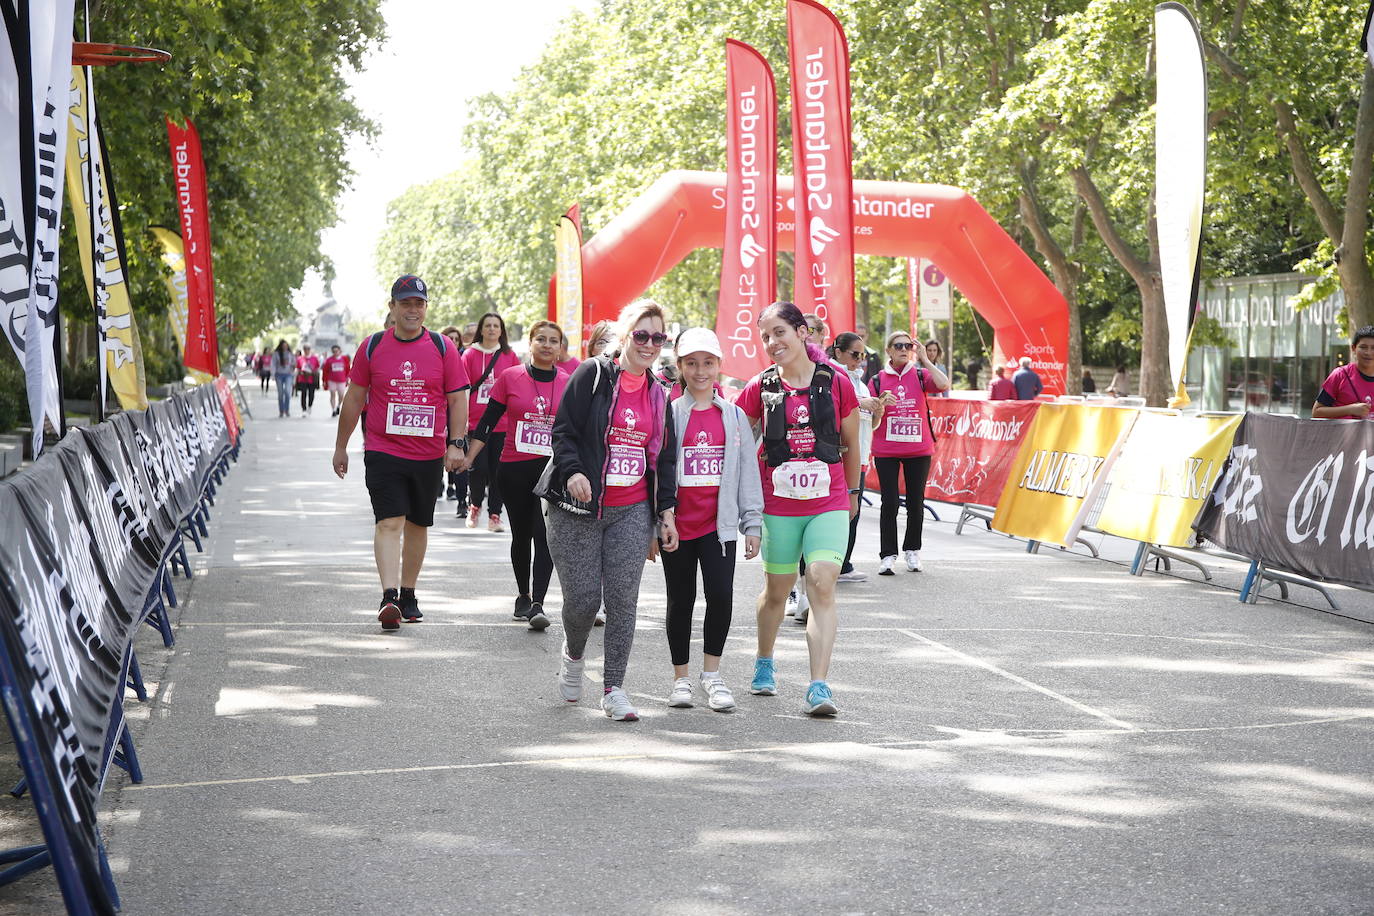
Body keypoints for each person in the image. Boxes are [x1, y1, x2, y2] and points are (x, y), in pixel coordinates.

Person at [539, 300, 679, 722]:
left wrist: (665, 514)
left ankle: (614, 688)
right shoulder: (593, 374)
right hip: (578, 509)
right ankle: (574, 655)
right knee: (583, 603)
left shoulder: (659, 394)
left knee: (623, 602)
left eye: (658, 337)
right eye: (641, 334)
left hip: (631, 511)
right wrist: (575, 471)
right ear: (624, 336)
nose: (649, 344)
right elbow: (563, 431)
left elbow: (665, 460)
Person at [735, 301, 860, 717]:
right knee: (776, 591)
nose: (772, 343)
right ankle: (764, 660)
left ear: (802, 332)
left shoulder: (837, 382)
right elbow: (732, 431)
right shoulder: (760, 386)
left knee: (821, 580)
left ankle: (819, 686)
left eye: (780, 333)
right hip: (778, 505)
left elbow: (852, 442)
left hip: (828, 500)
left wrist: (854, 493)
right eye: (766, 336)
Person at [331, 274, 469, 630]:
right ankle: (388, 595)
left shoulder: (443, 347)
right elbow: (355, 398)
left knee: (418, 524)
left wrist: (456, 444)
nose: (412, 309)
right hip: (383, 450)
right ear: (392, 307)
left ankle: (409, 594)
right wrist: (341, 446)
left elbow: (457, 398)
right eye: (405, 303)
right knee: (389, 521)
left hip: (426, 454)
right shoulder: (372, 346)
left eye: (418, 303)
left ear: (425, 308)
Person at [661, 328, 763, 712]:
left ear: (719, 365)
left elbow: (748, 472)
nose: (700, 371)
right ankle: (681, 678)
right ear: (680, 366)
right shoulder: (669, 414)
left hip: (719, 529)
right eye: (691, 363)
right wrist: (658, 523)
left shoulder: (735, 416)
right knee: (681, 600)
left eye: (707, 363)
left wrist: (752, 523)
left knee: (720, 597)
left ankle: (712, 674)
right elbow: (658, 473)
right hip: (677, 527)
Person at [463, 321, 571, 630]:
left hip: (552, 473)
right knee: (522, 534)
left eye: (553, 341)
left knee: (544, 535)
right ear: (531, 343)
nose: (547, 345)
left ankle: (537, 603)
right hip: (512, 469)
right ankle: (522, 596)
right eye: (541, 339)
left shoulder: (568, 382)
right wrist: (469, 456)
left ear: (560, 347)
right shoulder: (510, 377)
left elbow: (577, 431)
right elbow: (487, 422)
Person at [870, 331, 949, 575]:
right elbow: (871, 420)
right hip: (887, 448)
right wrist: (881, 407)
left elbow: (944, 384)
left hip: (918, 448)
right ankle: (887, 555)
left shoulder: (920, 374)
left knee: (916, 502)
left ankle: (912, 550)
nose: (904, 349)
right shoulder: (877, 379)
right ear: (889, 351)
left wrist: (925, 359)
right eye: (898, 346)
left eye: (908, 346)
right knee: (889, 503)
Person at [829, 332, 885, 584]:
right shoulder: (834, 377)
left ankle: (844, 563)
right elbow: (838, 407)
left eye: (863, 355)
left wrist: (878, 412)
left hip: (860, 456)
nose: (860, 360)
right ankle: (834, 564)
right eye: (855, 354)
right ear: (838, 352)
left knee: (854, 512)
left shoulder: (860, 382)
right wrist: (862, 402)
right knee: (840, 513)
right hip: (840, 457)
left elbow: (869, 425)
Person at [461, 312, 520, 531]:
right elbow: (463, 389)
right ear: (482, 329)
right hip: (476, 423)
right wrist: (462, 419)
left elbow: (517, 387)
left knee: (497, 471)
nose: (492, 329)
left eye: (496, 326)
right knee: (479, 468)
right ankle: (474, 505)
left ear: (501, 330)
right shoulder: (469, 355)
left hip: (503, 424)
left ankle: (494, 515)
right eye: (488, 325)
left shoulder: (509, 355)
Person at [1313, 325, 1374, 419]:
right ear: (1353, 348)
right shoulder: (1340, 375)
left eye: (1373, 348)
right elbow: (1316, 412)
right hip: (1340, 433)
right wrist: (1350, 409)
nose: (1368, 352)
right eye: (1363, 347)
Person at [323, 345, 351, 417]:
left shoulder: (344, 359)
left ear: (340, 351)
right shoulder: (329, 360)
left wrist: (348, 378)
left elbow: (348, 369)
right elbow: (325, 371)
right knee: (332, 394)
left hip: (342, 380)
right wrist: (324, 381)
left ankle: (338, 406)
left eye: (337, 351)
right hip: (332, 380)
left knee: (341, 395)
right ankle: (333, 410)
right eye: (334, 351)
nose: (335, 352)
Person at [271, 340, 296, 417]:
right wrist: (273, 374)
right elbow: (273, 364)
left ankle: (287, 410)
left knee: (287, 392)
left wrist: (293, 368)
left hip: (288, 375)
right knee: (281, 394)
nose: (285, 347)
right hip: (279, 375)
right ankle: (281, 411)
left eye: (286, 346)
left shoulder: (290, 354)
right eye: (283, 346)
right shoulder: (276, 354)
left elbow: (294, 363)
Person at [295, 344, 321, 417]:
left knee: (311, 394)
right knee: (303, 394)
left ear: (310, 350)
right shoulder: (300, 358)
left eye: (308, 349)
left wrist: (313, 372)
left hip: (312, 379)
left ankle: (310, 406)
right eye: (305, 349)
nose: (307, 350)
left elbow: (317, 368)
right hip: (303, 379)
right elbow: (297, 368)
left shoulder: (314, 358)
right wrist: (300, 372)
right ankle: (304, 409)